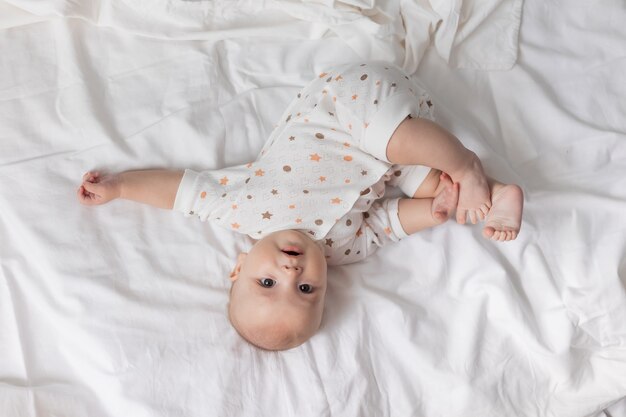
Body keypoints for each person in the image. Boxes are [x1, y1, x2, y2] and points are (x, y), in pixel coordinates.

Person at [77, 61, 523, 351]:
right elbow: (386, 224)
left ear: (239, 267)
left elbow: (180, 192)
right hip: (392, 157)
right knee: (429, 184)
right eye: (306, 291)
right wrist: (434, 212)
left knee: (399, 143)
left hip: (350, 104)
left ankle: (467, 165)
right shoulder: (342, 252)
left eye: (266, 282)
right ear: (325, 288)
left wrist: (121, 187)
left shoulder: (241, 210)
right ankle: (501, 191)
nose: (291, 275)